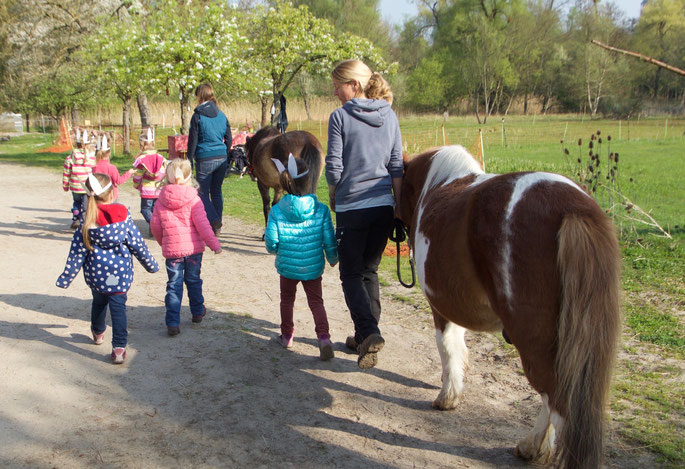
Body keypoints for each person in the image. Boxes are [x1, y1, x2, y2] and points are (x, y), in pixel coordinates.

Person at [325, 59, 403, 370]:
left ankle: (369, 331)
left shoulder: (339, 117)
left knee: (350, 274)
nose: (334, 91)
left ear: (354, 85)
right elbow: (396, 163)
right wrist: (397, 206)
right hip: (383, 206)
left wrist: (334, 193)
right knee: (369, 271)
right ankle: (365, 336)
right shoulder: (390, 115)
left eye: (337, 85)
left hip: (353, 207)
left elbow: (333, 168)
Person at [56, 173, 159, 364]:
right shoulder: (124, 217)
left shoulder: (87, 221)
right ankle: (119, 348)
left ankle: (98, 332)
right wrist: (150, 265)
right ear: (112, 193)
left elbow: (77, 254)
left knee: (99, 302)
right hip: (120, 275)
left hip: (97, 276)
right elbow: (137, 244)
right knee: (118, 309)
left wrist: (66, 278)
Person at [264, 153, 338, 361]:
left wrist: (277, 250)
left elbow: (271, 242)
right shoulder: (321, 210)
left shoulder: (277, 210)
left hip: (287, 267)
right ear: (310, 179)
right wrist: (332, 257)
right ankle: (324, 338)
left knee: (287, 300)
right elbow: (329, 239)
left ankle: (287, 336)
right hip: (313, 267)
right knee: (316, 302)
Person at [150, 159, 222, 337]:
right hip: (193, 251)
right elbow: (203, 225)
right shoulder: (194, 199)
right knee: (194, 280)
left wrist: (163, 242)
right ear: (190, 177)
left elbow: (155, 226)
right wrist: (214, 244)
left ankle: (173, 322)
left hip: (172, 251)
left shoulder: (161, 200)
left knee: (173, 285)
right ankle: (197, 311)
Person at [187, 83, 232, 236]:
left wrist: (189, 161)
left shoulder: (198, 116)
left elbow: (192, 141)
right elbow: (229, 138)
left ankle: (213, 219)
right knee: (217, 191)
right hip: (221, 157)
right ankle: (217, 226)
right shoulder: (222, 114)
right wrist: (224, 153)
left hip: (205, 157)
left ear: (200, 96)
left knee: (202, 192)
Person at [132, 128, 167, 232]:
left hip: (147, 190)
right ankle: (154, 228)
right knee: (155, 210)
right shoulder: (160, 157)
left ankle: (155, 226)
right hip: (158, 189)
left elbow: (138, 176)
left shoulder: (141, 160)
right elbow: (163, 172)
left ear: (142, 145)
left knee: (145, 209)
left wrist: (136, 184)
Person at [62, 129, 96, 229]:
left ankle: (76, 216)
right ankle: (85, 222)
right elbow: (94, 172)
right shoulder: (91, 158)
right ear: (88, 144)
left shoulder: (69, 158)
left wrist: (65, 185)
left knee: (76, 202)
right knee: (86, 205)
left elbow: (66, 173)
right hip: (86, 187)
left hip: (75, 186)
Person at [93, 133, 135, 201]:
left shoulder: (94, 168)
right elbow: (119, 181)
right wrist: (129, 173)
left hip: (99, 196)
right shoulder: (111, 168)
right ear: (109, 153)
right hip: (111, 196)